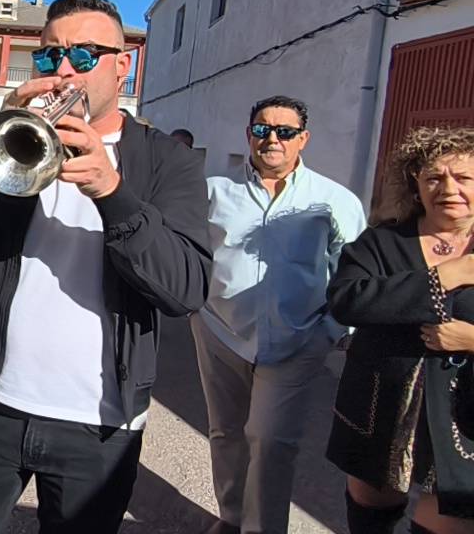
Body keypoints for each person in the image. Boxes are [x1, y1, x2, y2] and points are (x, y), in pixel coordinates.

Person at [0, 0, 211, 533]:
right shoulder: (18, 141)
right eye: (49, 55)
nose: (62, 70)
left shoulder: (167, 161)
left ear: (122, 67)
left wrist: (113, 191)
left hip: (99, 426)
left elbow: (184, 288)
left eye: (83, 56)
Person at [195, 96, 366, 534]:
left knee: (271, 442)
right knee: (226, 432)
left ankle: (263, 528)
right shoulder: (214, 191)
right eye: (262, 129)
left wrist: (332, 330)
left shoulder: (333, 200)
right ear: (248, 135)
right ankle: (232, 517)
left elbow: (353, 271)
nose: (272, 139)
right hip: (221, 331)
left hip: (297, 339)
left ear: (302, 139)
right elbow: (192, 254)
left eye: (285, 131)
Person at [326, 127, 474, 534]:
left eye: (463, 178)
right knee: (372, 516)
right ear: (416, 185)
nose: (449, 189)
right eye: (434, 178)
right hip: (379, 408)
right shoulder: (381, 242)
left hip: (464, 421)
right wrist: (443, 277)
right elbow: (347, 299)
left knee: (449, 522)